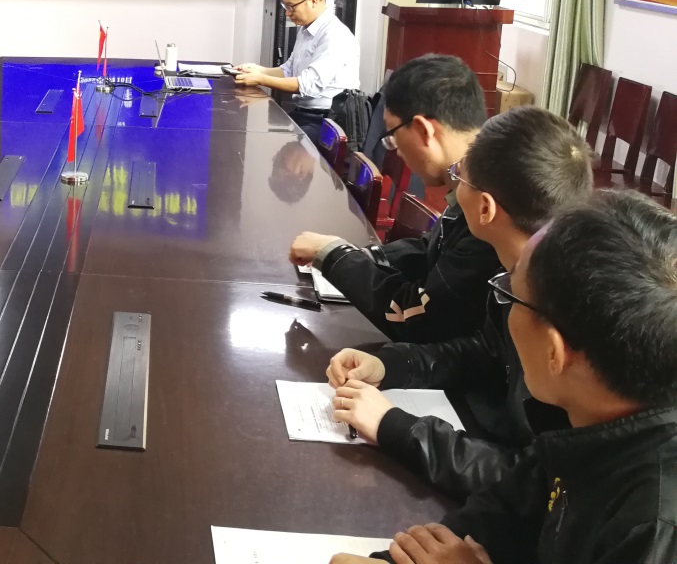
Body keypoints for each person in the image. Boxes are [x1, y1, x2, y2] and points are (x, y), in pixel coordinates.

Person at [330, 191, 677, 564]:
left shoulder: (652, 524)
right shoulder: (582, 425)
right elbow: (500, 513)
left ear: (554, 352)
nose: (505, 306)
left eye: (510, 292)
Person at [328, 107, 593, 499]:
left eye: (459, 178)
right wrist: (392, 364)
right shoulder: (524, 270)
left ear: (485, 208)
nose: (451, 189)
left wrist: (394, 426)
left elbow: (541, 486)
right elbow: (484, 351)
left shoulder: (566, 316)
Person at [289, 54, 495, 343]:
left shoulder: (488, 209)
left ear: (423, 130)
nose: (395, 149)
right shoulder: (476, 174)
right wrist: (360, 256)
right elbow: (430, 250)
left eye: (393, 135)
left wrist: (336, 256)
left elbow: (416, 317)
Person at [235, 0, 360, 141]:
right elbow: (289, 70)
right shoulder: (306, 29)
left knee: (272, 142)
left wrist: (261, 79)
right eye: (285, 6)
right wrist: (258, 70)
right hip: (305, 114)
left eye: (291, 6)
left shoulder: (335, 35)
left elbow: (308, 84)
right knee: (259, 132)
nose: (287, 13)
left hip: (326, 121)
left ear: (313, 1)